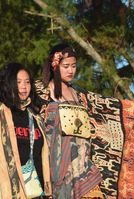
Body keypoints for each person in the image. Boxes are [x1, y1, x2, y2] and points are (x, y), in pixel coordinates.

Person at [0, 63, 52, 198]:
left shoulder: (35, 116)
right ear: (7, 84)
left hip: (34, 191)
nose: (24, 87)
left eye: (27, 82)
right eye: (18, 82)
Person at [36, 43, 103, 198]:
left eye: (73, 66)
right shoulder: (43, 90)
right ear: (55, 65)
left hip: (84, 165)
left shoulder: (78, 94)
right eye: (66, 66)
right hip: (59, 164)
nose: (71, 70)